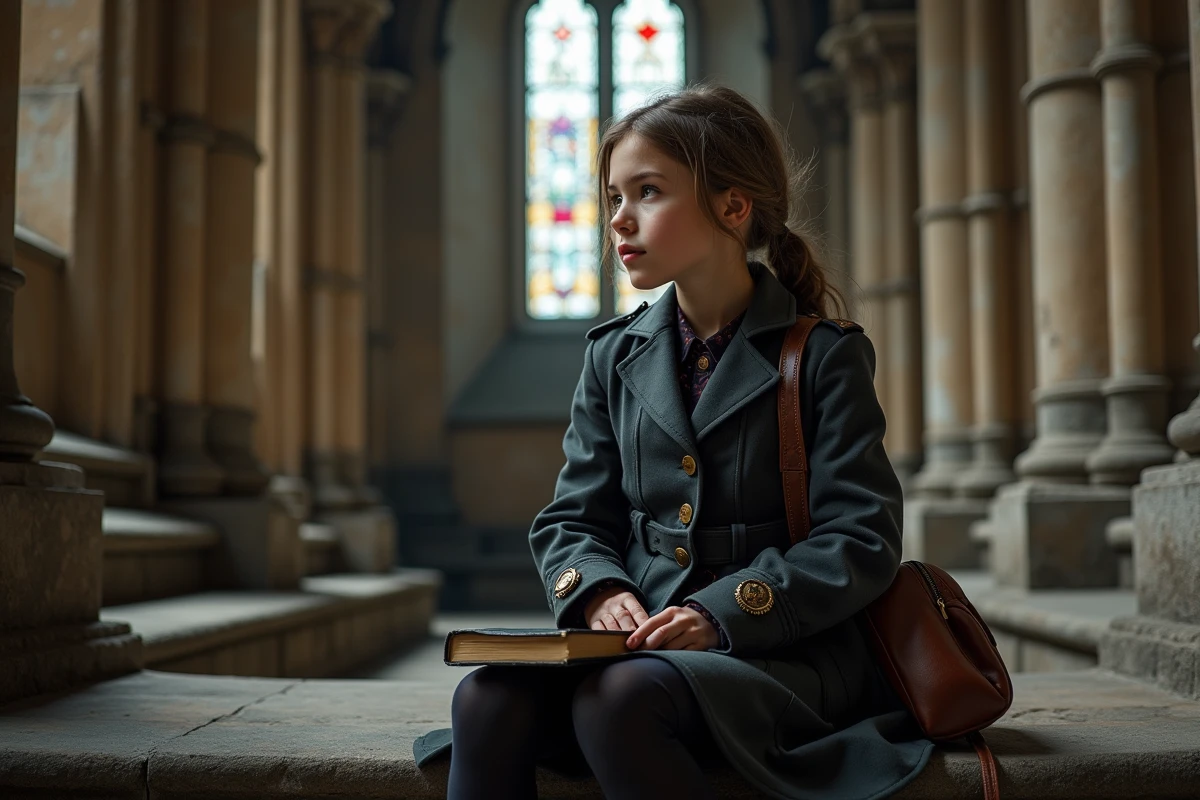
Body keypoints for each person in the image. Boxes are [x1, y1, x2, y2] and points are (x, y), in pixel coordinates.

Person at [413, 83, 933, 799]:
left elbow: (863, 538)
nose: (619, 221)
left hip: (784, 654)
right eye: (613, 200)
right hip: (639, 644)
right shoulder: (613, 356)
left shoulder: (821, 356)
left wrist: (719, 613)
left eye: (647, 192)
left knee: (619, 702)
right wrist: (599, 593)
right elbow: (572, 520)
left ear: (732, 204)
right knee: (484, 700)